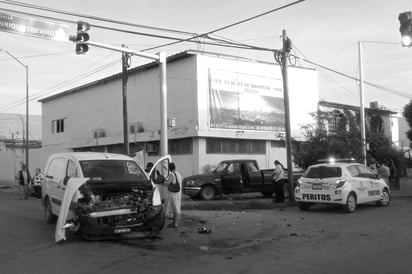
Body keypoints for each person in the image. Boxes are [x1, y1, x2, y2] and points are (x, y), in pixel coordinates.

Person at [164, 162, 182, 228]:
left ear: (169, 168)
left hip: (173, 194)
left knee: (176, 209)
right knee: (176, 208)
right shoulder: (178, 174)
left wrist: (163, 182)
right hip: (178, 193)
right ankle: (174, 223)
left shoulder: (171, 175)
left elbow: (167, 183)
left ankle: (175, 224)